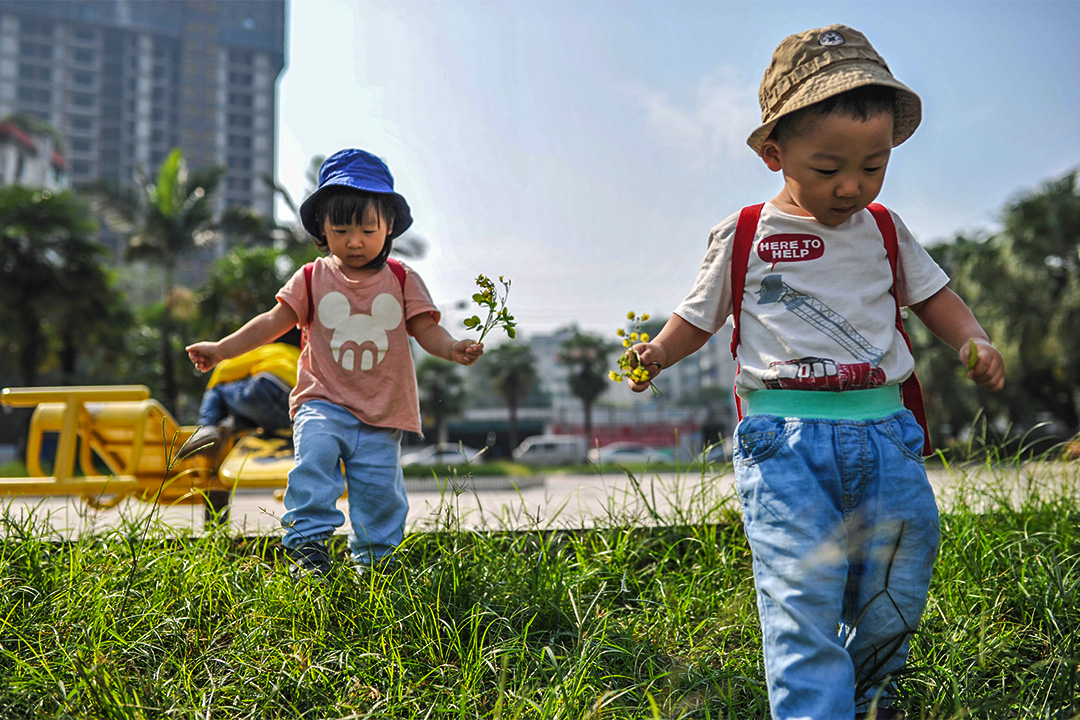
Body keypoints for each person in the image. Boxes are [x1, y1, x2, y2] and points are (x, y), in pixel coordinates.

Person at [625, 25, 1004, 720]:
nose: (853, 187)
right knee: (801, 590)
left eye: (874, 166)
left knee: (897, 578)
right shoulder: (745, 233)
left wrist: (972, 339)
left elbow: (933, 296)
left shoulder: (886, 229)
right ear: (775, 154)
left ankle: (871, 692)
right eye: (829, 170)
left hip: (886, 435)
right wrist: (656, 353)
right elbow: (698, 316)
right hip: (784, 442)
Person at [186, 148, 484, 575]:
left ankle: (376, 566)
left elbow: (426, 330)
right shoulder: (311, 277)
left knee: (379, 493)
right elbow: (271, 323)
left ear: (389, 227)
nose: (355, 240)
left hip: (382, 411)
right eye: (341, 229)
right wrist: (221, 349)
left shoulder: (402, 280)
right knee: (314, 462)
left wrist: (453, 347)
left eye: (367, 228)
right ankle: (309, 552)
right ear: (322, 231)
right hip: (321, 400)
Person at [185, 342, 299, 458]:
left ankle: (206, 428)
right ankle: (231, 424)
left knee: (217, 390)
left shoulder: (269, 349)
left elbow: (223, 369)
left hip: (267, 387)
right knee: (256, 416)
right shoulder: (301, 354)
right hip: (293, 407)